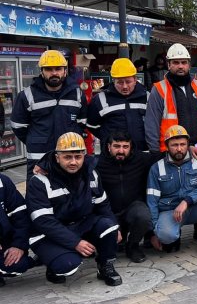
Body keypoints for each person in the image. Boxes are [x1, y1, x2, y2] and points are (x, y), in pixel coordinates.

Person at [26, 132, 122, 286]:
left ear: (84, 156)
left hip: (80, 224)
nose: (73, 162)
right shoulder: (39, 181)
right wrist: (75, 242)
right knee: (67, 264)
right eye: (67, 157)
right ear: (57, 157)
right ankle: (52, 263)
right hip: (47, 234)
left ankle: (105, 266)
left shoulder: (91, 174)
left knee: (109, 226)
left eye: (78, 157)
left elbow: (103, 205)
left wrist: (114, 227)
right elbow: (43, 222)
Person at [147, 125, 197, 259]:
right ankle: (174, 236)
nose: (179, 148)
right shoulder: (156, 168)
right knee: (165, 236)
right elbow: (152, 201)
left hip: (194, 207)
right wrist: (154, 232)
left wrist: (187, 201)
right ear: (167, 145)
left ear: (188, 144)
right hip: (170, 211)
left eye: (183, 144)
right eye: (174, 145)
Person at [11, 50, 87, 178]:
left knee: (70, 195)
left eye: (58, 69)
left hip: (69, 158)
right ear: (42, 71)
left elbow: (82, 122)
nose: (54, 73)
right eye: (49, 69)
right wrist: (35, 140)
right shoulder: (27, 95)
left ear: (65, 70)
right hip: (39, 159)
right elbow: (18, 126)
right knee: (39, 195)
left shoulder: (77, 93)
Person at [95, 131, 158, 263]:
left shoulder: (141, 159)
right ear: (108, 147)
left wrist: (191, 148)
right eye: (117, 146)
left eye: (125, 147)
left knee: (143, 215)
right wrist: (43, 165)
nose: (121, 151)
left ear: (131, 147)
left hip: (133, 208)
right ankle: (119, 238)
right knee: (110, 245)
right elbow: (70, 162)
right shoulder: (97, 162)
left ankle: (133, 245)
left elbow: (167, 155)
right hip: (110, 212)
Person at [145, 43, 197, 159]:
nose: (180, 66)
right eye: (176, 62)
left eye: (184, 62)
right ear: (169, 65)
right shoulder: (159, 89)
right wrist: (155, 152)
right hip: (171, 152)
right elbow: (152, 123)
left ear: (189, 65)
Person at [86, 58, 148, 154]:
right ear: (113, 80)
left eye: (128, 82)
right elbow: (91, 125)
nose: (124, 86)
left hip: (141, 154)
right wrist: (107, 137)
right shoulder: (100, 99)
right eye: (119, 82)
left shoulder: (147, 97)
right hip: (112, 157)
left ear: (135, 79)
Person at [0, 172, 35, 286]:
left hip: (4, 241)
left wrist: (19, 245)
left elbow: (20, 216)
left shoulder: (3, 181)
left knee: (18, 264)